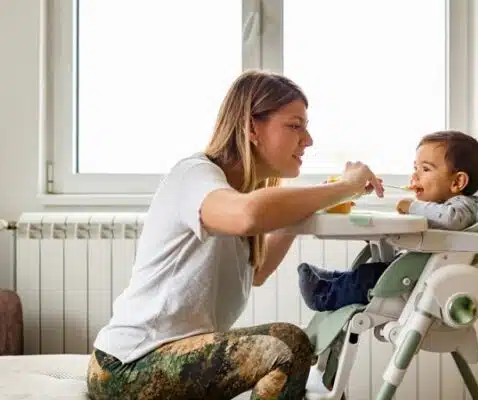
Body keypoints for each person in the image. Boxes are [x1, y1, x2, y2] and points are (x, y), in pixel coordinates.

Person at [86, 70, 384, 400]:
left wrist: (310, 207)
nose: (308, 139)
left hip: (167, 356)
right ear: (252, 128)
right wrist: (346, 187)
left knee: (295, 349)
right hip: (129, 364)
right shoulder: (194, 175)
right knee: (286, 345)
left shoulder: (239, 191)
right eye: (294, 125)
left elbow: (258, 271)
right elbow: (249, 215)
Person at [297, 131, 478, 312]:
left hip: (421, 281)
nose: (415, 175)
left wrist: (413, 206)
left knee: (370, 277)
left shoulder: (463, 204)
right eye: (415, 168)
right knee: (368, 272)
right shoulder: (434, 207)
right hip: (410, 272)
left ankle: (323, 295)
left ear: (457, 182)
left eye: (425, 169)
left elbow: (453, 219)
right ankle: (330, 280)